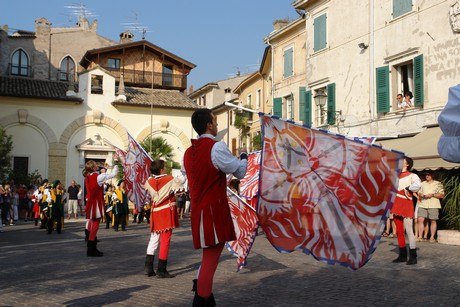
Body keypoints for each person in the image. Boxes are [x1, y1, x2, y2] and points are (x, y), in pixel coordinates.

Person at [183, 108, 248, 306]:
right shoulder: (216, 147)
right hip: (213, 211)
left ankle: (203, 295)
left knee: (207, 259)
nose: (217, 124)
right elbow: (240, 172)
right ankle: (202, 299)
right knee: (210, 261)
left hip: (199, 211)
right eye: (215, 121)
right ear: (209, 125)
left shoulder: (188, 152)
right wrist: (244, 156)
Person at [144, 159, 182, 278]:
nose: (166, 168)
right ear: (161, 169)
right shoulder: (169, 179)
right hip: (165, 212)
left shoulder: (149, 180)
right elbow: (180, 183)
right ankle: (161, 269)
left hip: (155, 212)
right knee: (165, 240)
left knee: (153, 239)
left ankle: (149, 268)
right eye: (164, 166)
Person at [83, 159, 118, 257]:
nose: (98, 165)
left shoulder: (88, 177)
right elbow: (114, 174)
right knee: (95, 225)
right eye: (96, 164)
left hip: (90, 203)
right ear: (94, 167)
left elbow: (98, 177)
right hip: (96, 204)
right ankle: (91, 249)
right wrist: (116, 162)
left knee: (92, 223)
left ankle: (92, 248)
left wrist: (104, 170)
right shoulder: (99, 177)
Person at [390, 157, 421, 265]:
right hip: (396, 203)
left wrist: (408, 189)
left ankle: (413, 256)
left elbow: (418, 185)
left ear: (407, 164)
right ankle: (402, 255)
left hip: (406, 202)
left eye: (403, 160)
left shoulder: (413, 175)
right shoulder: (394, 175)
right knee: (399, 230)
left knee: (409, 230)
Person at [417, 172, 444, 243]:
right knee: (420, 219)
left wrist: (432, 195)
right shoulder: (423, 183)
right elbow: (419, 192)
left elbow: (442, 195)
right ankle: (420, 236)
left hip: (433, 204)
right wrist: (421, 195)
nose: (427, 176)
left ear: (432, 175)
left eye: (428, 175)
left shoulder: (438, 183)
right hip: (423, 204)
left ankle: (432, 237)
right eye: (426, 175)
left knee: (433, 220)